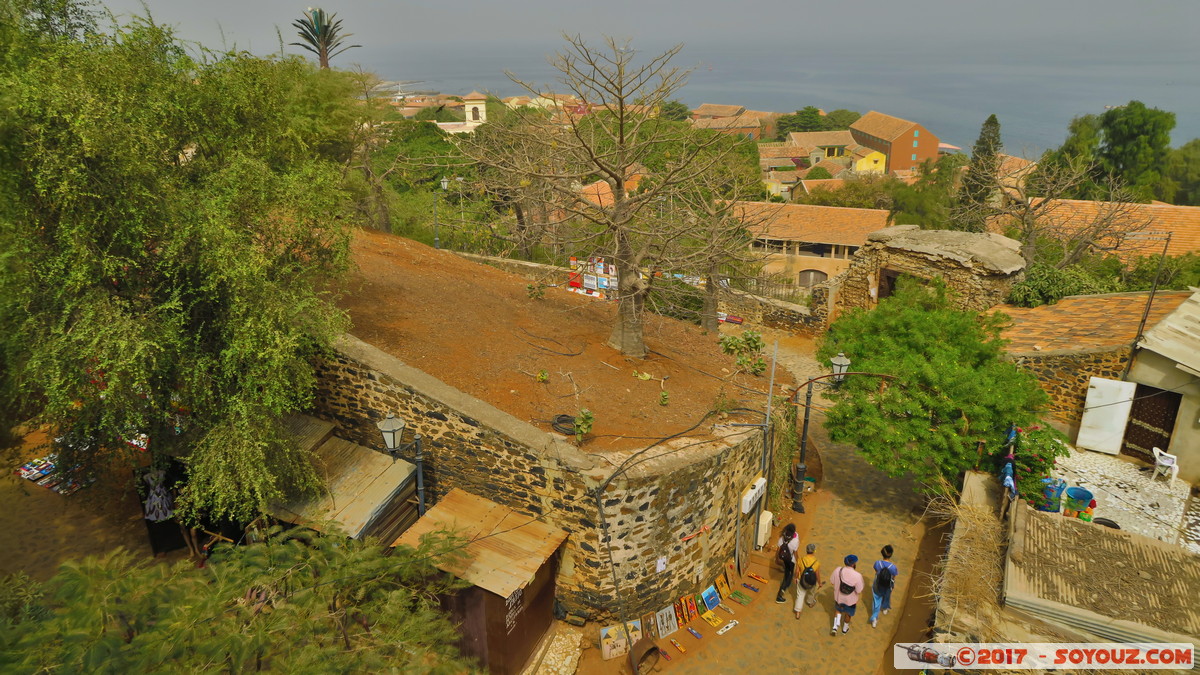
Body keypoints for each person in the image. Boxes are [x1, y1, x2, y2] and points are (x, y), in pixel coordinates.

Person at [830, 554, 864, 635]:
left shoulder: (838, 570)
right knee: (848, 614)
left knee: (838, 610)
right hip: (850, 601)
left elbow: (832, 581)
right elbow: (859, 590)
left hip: (839, 598)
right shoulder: (858, 576)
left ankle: (835, 627)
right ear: (853, 564)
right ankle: (844, 629)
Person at [870, 544, 899, 628]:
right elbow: (894, 576)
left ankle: (874, 619)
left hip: (877, 584)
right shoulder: (893, 567)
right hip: (888, 586)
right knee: (887, 596)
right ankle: (885, 608)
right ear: (891, 554)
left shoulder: (877, 563)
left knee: (876, 601)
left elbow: (876, 571)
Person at [794, 542, 823, 619]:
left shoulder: (801, 559)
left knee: (800, 595)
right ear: (814, 551)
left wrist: (795, 578)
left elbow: (797, 571)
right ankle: (810, 603)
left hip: (801, 580)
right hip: (811, 581)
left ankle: (798, 612)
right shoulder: (816, 562)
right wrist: (819, 583)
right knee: (811, 592)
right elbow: (817, 574)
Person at [775, 523, 799, 604]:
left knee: (786, 572)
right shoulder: (795, 541)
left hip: (784, 558)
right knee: (789, 575)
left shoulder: (782, 538)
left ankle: (785, 584)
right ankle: (780, 593)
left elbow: (778, 549)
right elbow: (795, 554)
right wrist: (798, 563)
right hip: (791, 560)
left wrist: (777, 559)